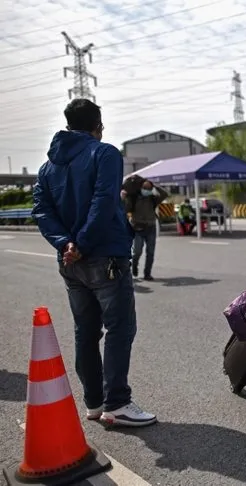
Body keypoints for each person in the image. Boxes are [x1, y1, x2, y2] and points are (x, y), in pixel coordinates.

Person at [31, 98, 157, 427]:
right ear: (97, 125)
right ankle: (117, 402)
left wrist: (65, 244)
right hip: (104, 254)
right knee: (119, 327)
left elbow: (42, 211)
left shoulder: (47, 167)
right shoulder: (104, 153)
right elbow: (103, 200)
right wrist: (83, 243)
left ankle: (94, 403)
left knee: (85, 332)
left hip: (71, 261)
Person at [126, 179, 168, 280]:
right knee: (137, 251)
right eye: (145, 188)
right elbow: (126, 208)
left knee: (150, 252)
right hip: (138, 228)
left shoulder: (153, 199)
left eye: (149, 188)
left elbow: (165, 194)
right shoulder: (134, 198)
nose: (147, 190)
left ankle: (147, 273)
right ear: (140, 188)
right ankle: (134, 265)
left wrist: (155, 186)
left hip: (150, 227)